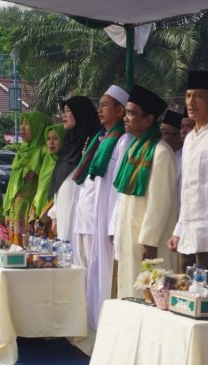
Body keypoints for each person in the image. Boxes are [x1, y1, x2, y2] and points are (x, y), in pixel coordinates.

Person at [114, 85, 178, 298]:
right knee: (130, 295)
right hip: (130, 235)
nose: (126, 117)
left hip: (150, 244)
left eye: (132, 113)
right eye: (127, 111)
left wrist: (149, 242)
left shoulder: (161, 152)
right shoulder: (134, 148)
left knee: (150, 298)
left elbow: (160, 203)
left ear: (149, 120)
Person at [167, 71, 208, 270]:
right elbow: (187, 191)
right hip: (189, 235)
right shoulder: (189, 139)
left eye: (198, 96)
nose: (191, 102)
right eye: (188, 96)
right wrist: (178, 230)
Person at [83, 85, 132, 330]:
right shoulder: (102, 139)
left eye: (105, 105)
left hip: (109, 220)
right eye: (99, 105)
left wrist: (113, 223)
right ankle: (92, 328)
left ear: (120, 110)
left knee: (106, 276)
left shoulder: (124, 141)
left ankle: (104, 330)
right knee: (93, 275)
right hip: (95, 218)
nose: (100, 110)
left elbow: (119, 189)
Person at [48, 96, 101, 266]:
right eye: (63, 111)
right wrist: (55, 214)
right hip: (64, 211)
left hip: (81, 214)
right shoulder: (69, 144)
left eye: (68, 111)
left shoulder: (93, 143)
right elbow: (60, 181)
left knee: (78, 259)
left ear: (81, 113)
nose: (64, 115)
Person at [4, 111, 52, 244]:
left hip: (32, 210)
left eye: (27, 124)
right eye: (21, 124)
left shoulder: (45, 151)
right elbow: (12, 184)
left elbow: (46, 182)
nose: (22, 128)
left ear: (38, 127)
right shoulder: (22, 151)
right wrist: (7, 210)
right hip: (15, 209)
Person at [29, 124, 65, 238]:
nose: (51, 142)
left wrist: (45, 217)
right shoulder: (46, 162)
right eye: (48, 139)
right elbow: (40, 191)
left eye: (56, 138)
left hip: (54, 217)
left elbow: (60, 193)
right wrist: (34, 214)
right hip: (39, 217)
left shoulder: (65, 165)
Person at [160, 109, 184, 203]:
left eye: (164, 133)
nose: (160, 137)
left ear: (178, 137)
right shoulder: (161, 155)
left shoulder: (183, 160)